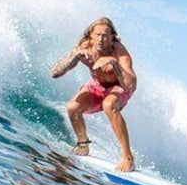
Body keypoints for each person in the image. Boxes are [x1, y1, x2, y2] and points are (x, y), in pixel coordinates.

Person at [50, 17, 137, 172]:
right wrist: (74, 58)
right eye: (97, 35)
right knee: (72, 108)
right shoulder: (84, 47)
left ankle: (128, 158)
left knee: (109, 104)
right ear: (90, 35)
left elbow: (131, 85)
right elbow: (54, 73)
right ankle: (83, 144)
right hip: (98, 86)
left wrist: (114, 64)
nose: (101, 39)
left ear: (112, 37)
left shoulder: (119, 51)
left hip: (118, 88)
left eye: (105, 35)